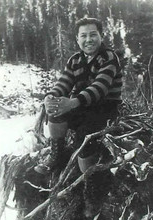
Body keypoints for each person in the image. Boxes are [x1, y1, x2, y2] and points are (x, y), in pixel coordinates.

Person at [35, 17, 122, 179]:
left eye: (93, 35)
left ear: (101, 36)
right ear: (77, 39)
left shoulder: (109, 57)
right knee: (55, 110)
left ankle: (90, 181)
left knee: (84, 137)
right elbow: (64, 83)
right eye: (83, 36)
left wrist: (73, 102)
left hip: (105, 109)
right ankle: (57, 154)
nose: (88, 40)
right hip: (82, 106)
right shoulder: (75, 60)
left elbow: (99, 88)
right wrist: (50, 97)